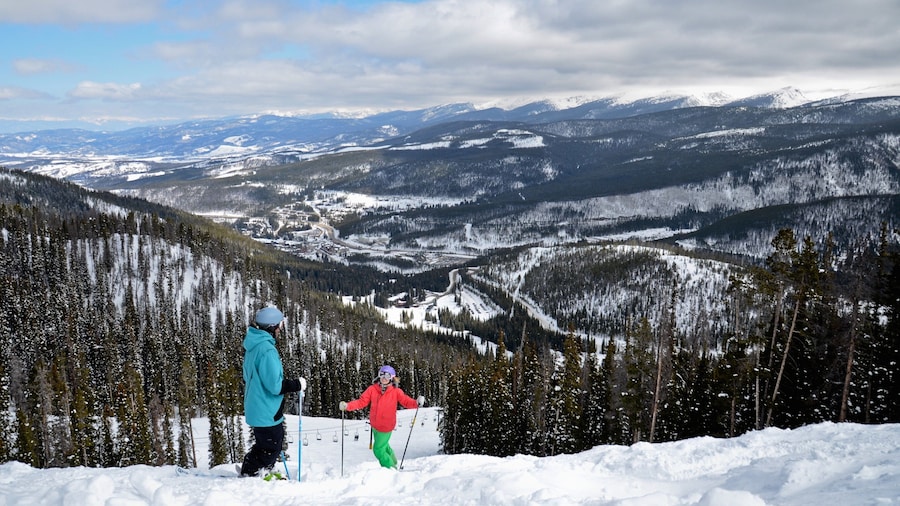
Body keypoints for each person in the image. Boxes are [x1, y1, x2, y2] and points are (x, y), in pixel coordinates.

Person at [240, 305, 306, 478]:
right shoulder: (267, 350)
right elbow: (275, 386)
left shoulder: (253, 345)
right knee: (272, 446)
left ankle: (258, 468)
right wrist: (296, 384)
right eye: (279, 325)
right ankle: (251, 471)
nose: (280, 329)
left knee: (264, 444)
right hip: (266, 410)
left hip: (256, 405)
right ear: (272, 327)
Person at [339, 365, 425, 469]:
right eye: (382, 374)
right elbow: (362, 402)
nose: (384, 378)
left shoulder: (396, 391)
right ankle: (393, 462)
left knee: (378, 449)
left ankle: (390, 467)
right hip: (375, 425)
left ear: (392, 378)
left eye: (387, 376)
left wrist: (416, 403)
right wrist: (348, 406)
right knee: (384, 446)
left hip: (386, 426)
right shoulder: (372, 389)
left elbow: (406, 401)